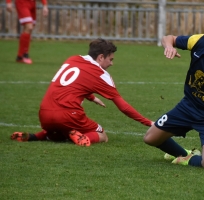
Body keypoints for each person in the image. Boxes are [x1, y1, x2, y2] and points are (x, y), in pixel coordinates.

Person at [11, 38, 154, 146]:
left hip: (44, 113)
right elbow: (123, 106)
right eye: (110, 59)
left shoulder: (73, 59)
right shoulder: (100, 74)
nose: (112, 63)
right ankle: (84, 139)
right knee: (102, 135)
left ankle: (34, 136)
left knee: (59, 133)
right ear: (100, 57)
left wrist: (91, 97)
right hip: (68, 115)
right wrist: (148, 123)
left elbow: (72, 83)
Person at [143, 16, 204, 169]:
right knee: (150, 138)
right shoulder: (199, 41)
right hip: (187, 107)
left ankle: (188, 159)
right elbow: (168, 38)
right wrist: (168, 46)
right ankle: (182, 153)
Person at [6, 0, 49, 64]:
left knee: (29, 29)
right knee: (29, 26)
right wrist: (8, 2)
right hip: (22, 2)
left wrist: (45, 5)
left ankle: (20, 56)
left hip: (32, 3)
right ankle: (24, 55)